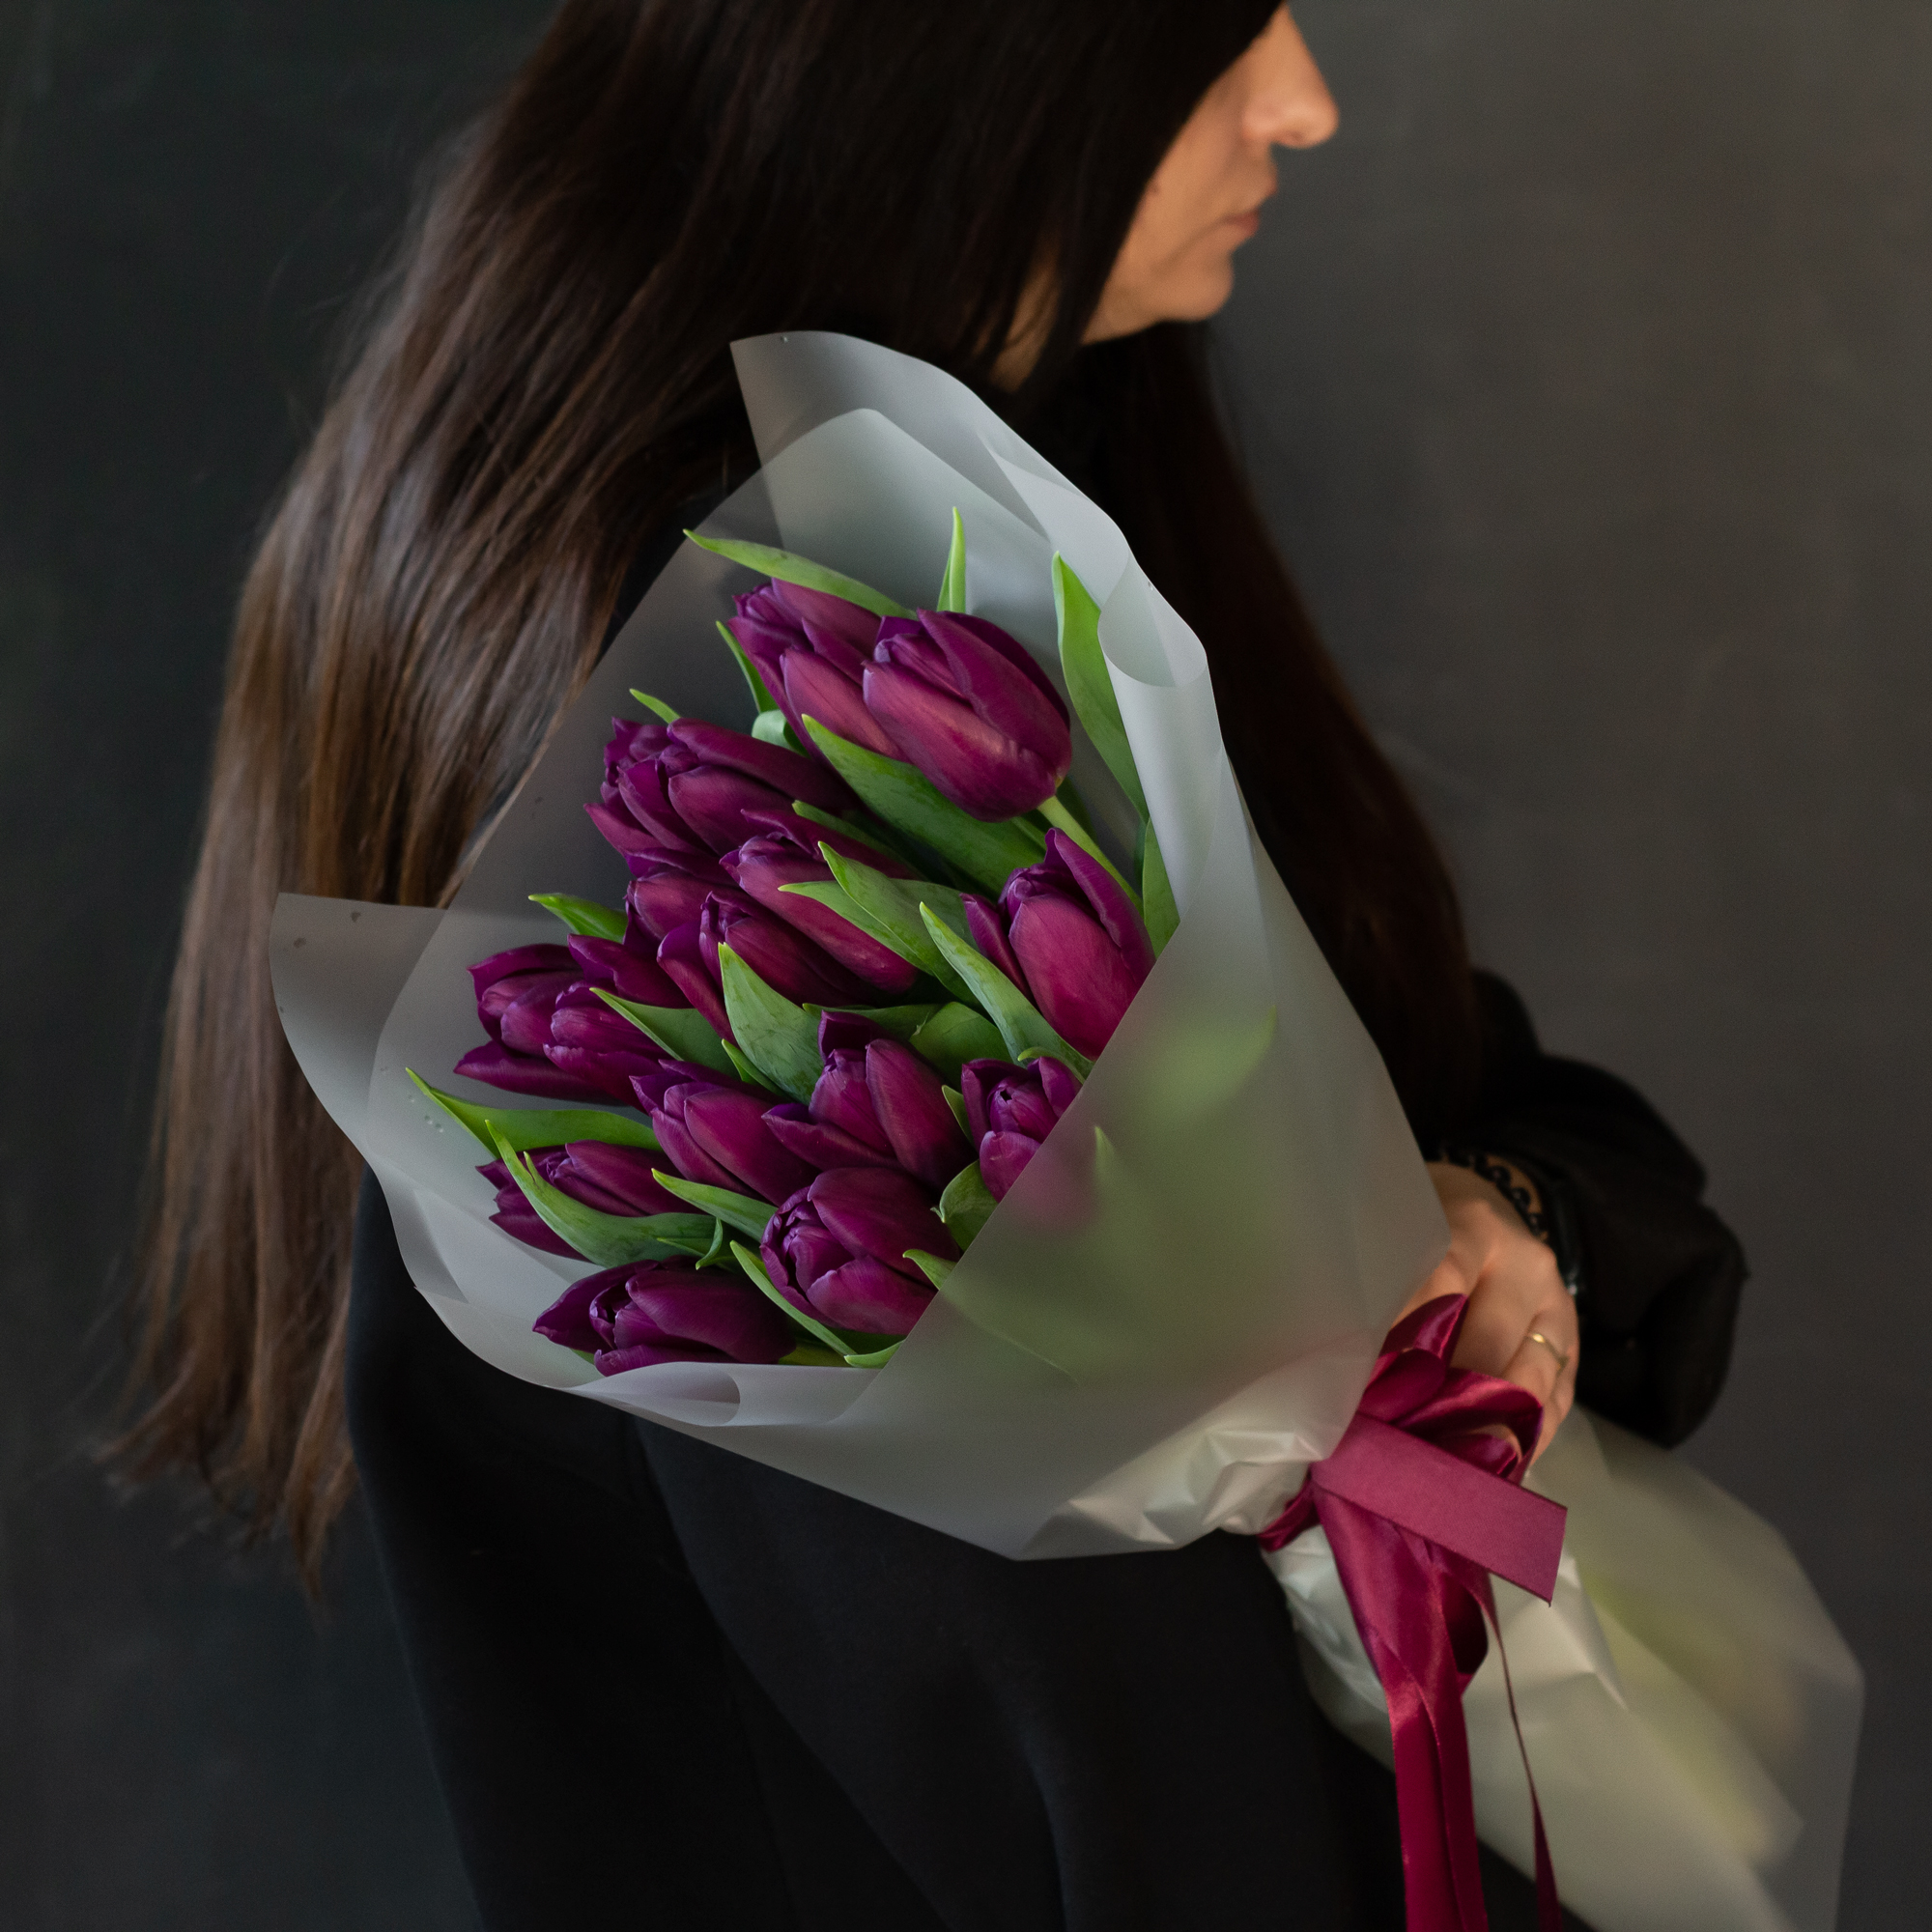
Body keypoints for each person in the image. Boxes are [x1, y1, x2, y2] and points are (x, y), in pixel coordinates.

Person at [128, 4, 1746, 1925]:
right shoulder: (727, 699)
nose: (1302, 100)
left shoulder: (950, 487)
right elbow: (1065, 1709)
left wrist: (1505, 1220)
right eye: (1219, 21)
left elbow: (1477, 1085)